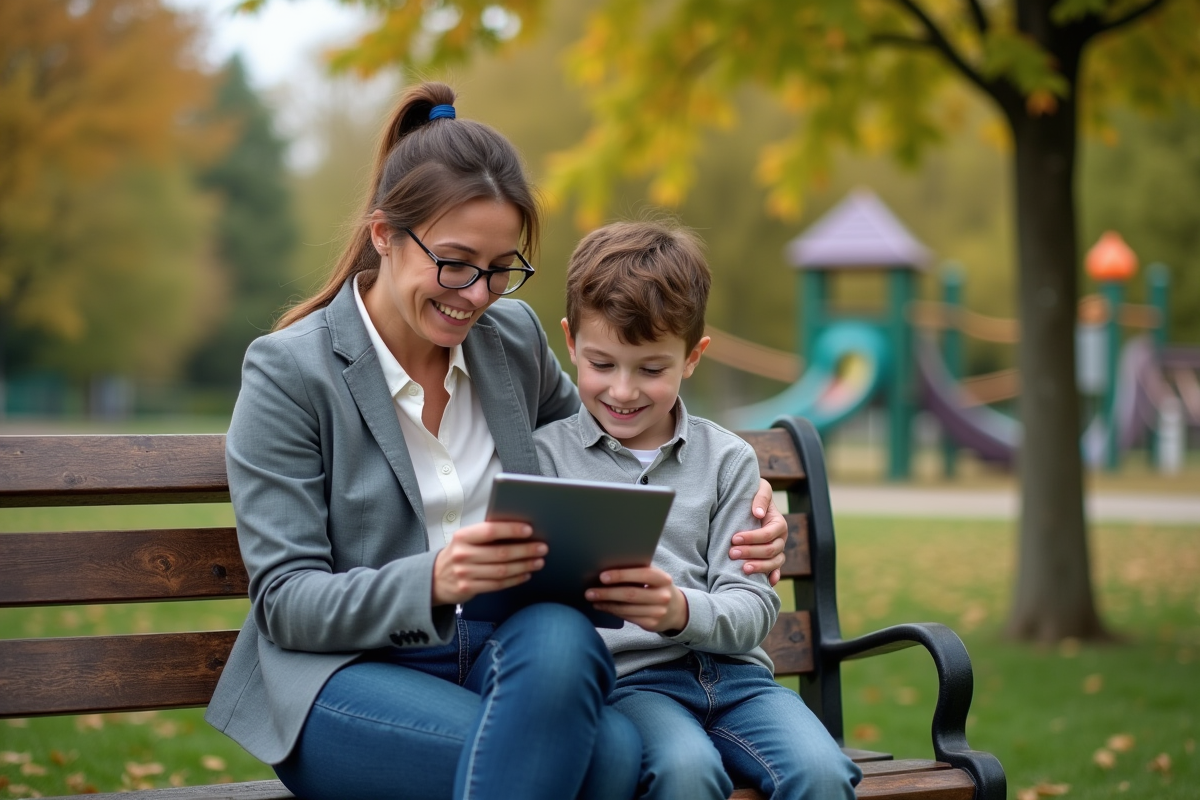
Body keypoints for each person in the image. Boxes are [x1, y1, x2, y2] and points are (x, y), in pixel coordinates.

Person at [204, 81, 788, 800]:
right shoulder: (291, 370)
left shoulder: (508, 340)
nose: (476, 295)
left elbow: (611, 441)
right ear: (384, 234)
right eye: (455, 263)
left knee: (564, 642)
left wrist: (745, 500)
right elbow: (287, 602)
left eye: (500, 269)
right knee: (602, 762)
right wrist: (437, 579)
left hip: (504, 659)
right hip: (345, 676)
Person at [534, 220, 863, 799]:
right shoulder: (547, 458)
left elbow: (754, 605)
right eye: (602, 364)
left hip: (739, 682)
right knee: (687, 773)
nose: (624, 390)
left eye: (652, 369)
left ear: (692, 357)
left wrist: (679, 610)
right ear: (570, 342)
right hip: (633, 687)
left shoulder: (727, 461)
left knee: (823, 771)